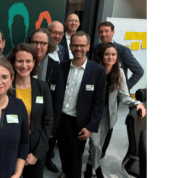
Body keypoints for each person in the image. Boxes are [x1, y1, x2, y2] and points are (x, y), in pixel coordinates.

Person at [85, 43, 147, 178]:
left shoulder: (119, 73)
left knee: (99, 146)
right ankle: (97, 168)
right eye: (107, 54)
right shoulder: (93, 70)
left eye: (113, 54)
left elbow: (124, 97)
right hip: (92, 114)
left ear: (117, 56)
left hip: (107, 115)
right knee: (95, 145)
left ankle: (90, 166)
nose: (110, 57)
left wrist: (138, 103)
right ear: (101, 56)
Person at [91, 21, 145, 159]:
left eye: (106, 31)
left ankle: (100, 156)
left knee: (107, 127)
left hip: (112, 97)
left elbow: (139, 71)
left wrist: (122, 87)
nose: (103, 34)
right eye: (101, 31)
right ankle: (94, 155)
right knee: (93, 131)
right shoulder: (95, 48)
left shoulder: (122, 50)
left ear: (113, 32)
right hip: (95, 96)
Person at [57, 31, 106, 178]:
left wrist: (91, 127)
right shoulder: (62, 67)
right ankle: (65, 173)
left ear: (88, 47)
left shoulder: (98, 71)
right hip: (60, 120)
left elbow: (99, 103)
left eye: (82, 45)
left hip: (78, 123)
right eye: (75, 45)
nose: (78, 48)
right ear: (70, 47)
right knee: (63, 153)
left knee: (75, 158)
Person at [7, 43, 53, 178]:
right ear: (13, 62)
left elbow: (48, 122)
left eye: (28, 61)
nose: (24, 65)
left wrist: (37, 154)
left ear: (34, 63)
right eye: (20, 61)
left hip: (36, 146)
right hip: (11, 147)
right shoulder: (6, 88)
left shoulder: (42, 87)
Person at [26, 28, 65, 173]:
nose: (38, 46)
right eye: (35, 42)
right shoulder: (20, 64)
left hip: (42, 127)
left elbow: (58, 102)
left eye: (43, 43)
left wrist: (51, 131)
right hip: (22, 124)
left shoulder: (56, 69)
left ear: (49, 46)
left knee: (36, 167)